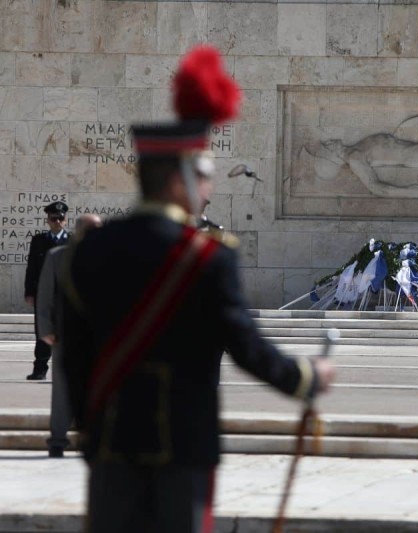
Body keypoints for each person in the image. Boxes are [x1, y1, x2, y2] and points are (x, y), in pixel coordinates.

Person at [60, 45, 335, 533]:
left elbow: (75, 357)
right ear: (179, 178)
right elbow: (245, 346)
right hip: (180, 448)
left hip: (110, 445)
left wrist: (92, 430)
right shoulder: (207, 257)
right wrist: (306, 377)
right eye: (204, 176)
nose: (208, 188)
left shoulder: (90, 251)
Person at [37, 214, 103, 458]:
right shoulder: (57, 256)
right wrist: (45, 329)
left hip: (101, 336)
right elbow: (45, 296)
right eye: (93, 228)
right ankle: (57, 440)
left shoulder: (109, 255)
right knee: (63, 390)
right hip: (66, 334)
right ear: (80, 230)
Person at [24, 201, 70, 380]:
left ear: (65, 220)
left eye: (61, 218)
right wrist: (29, 292)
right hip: (44, 294)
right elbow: (32, 268)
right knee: (42, 331)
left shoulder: (72, 240)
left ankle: (65, 371)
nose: (57, 221)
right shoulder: (39, 241)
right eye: (54, 218)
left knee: (67, 332)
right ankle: (40, 369)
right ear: (48, 220)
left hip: (66, 295)